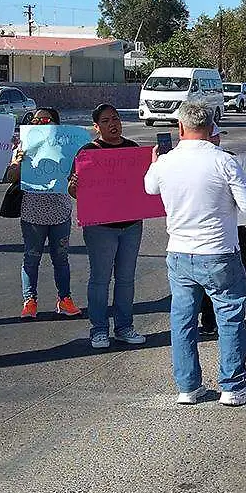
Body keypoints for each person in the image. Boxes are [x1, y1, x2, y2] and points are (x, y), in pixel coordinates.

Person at [144, 101, 246, 406]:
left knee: (182, 320)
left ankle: (188, 386)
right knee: (230, 317)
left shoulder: (166, 162)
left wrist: (154, 161)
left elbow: (149, 188)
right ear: (212, 128)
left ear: (180, 128)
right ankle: (233, 386)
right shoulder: (223, 161)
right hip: (219, 250)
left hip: (180, 252)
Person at [68, 104, 146, 349]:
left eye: (115, 118)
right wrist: (75, 184)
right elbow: (73, 191)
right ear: (96, 126)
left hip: (131, 225)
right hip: (101, 227)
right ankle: (99, 329)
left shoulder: (133, 149)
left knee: (126, 279)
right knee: (100, 280)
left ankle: (124, 327)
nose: (113, 124)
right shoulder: (87, 152)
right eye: (105, 120)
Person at [9, 107, 81, 319]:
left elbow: (75, 183)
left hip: (60, 213)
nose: (40, 123)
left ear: (56, 124)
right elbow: (11, 177)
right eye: (36, 120)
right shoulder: (22, 148)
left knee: (61, 259)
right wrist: (17, 163)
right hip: (32, 214)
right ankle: (29, 300)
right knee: (31, 258)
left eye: (46, 119)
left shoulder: (68, 149)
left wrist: (75, 180)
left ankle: (65, 299)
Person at [199, 123, 246, 338]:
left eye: (219, 136)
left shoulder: (231, 158)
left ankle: (235, 319)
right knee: (212, 279)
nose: (217, 140)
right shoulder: (200, 163)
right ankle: (209, 320)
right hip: (214, 230)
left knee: (240, 274)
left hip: (238, 227)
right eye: (214, 136)